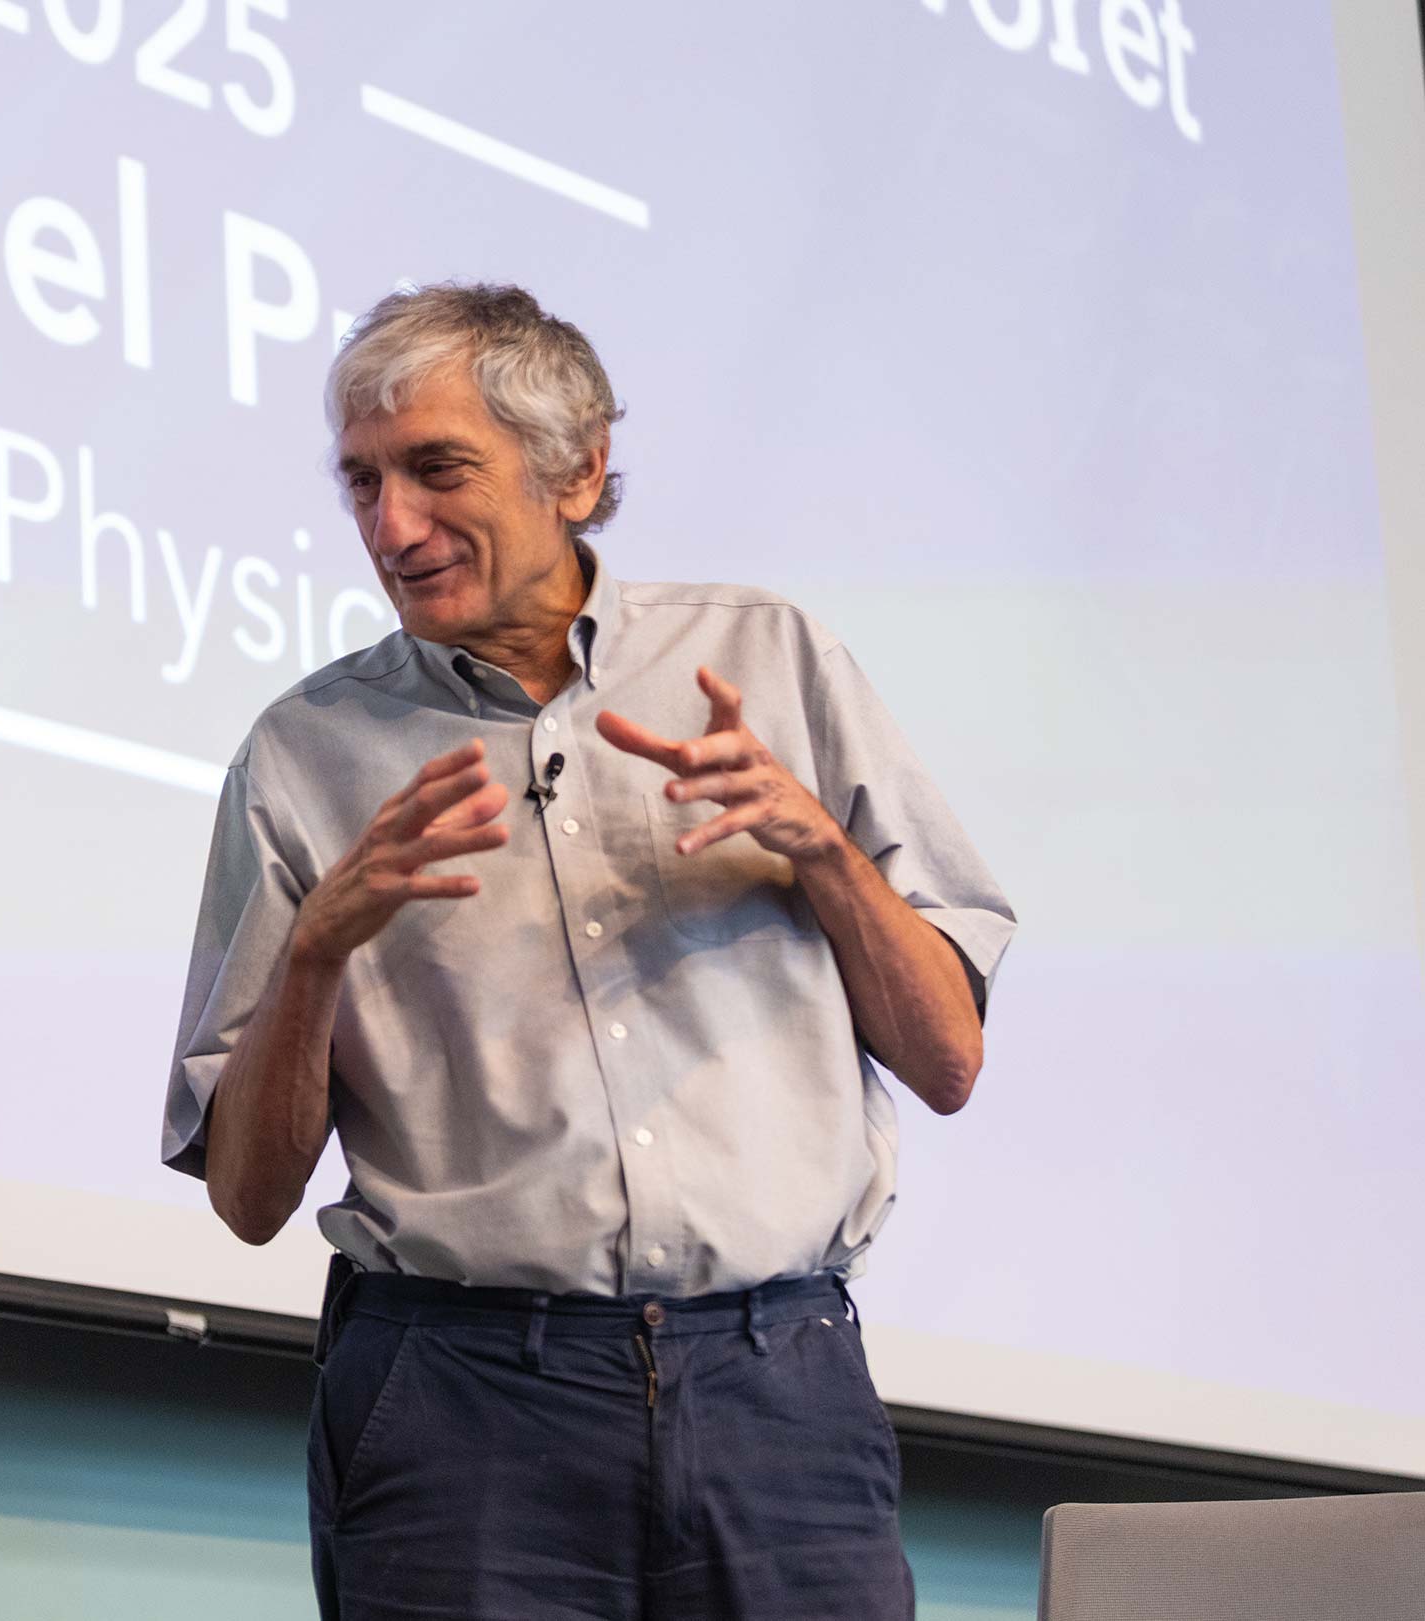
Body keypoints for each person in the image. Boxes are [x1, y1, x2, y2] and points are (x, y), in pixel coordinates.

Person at [165, 284, 1016, 1621]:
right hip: (461, 1403)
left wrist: (818, 850)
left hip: (775, 1386)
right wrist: (318, 951)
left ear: (579, 467)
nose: (389, 526)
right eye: (359, 482)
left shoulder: (769, 659)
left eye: (435, 469)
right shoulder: (300, 754)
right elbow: (248, 1197)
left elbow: (948, 1058)